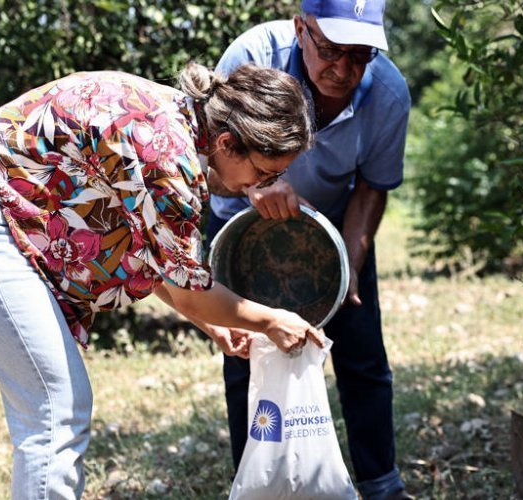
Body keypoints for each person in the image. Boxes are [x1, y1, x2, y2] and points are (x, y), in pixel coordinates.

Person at [0, 62, 322, 498]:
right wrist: (270, 321)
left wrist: (216, 324)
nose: (262, 186)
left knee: (53, 406)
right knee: (56, 409)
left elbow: (154, 254)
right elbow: (192, 294)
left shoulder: (171, 118)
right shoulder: (168, 158)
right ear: (227, 144)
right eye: (265, 173)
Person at [206, 1, 412, 499]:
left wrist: (352, 267)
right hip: (242, 218)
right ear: (302, 28)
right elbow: (215, 155)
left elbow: (372, 186)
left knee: (362, 350)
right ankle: (257, 481)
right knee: (249, 349)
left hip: (334, 225)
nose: (343, 70)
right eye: (331, 50)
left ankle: (382, 484)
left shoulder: (387, 94)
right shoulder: (252, 57)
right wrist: (259, 186)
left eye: (360, 55)